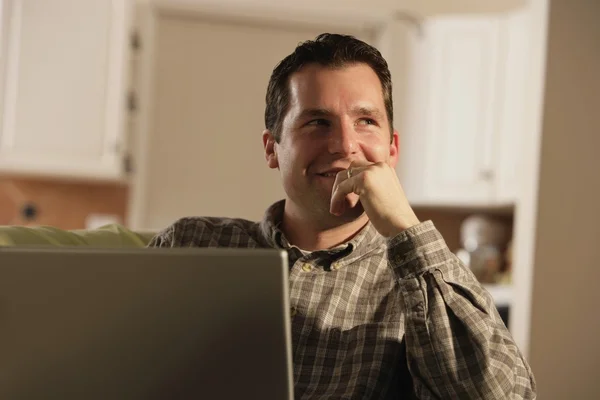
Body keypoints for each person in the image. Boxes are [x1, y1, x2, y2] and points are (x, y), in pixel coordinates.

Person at [148, 33, 536, 399]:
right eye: (318, 122)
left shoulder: (433, 282)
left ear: (392, 148)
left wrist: (406, 229)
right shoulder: (186, 245)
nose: (345, 145)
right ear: (272, 149)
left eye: (366, 121)